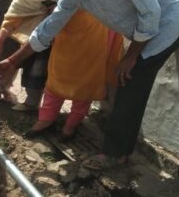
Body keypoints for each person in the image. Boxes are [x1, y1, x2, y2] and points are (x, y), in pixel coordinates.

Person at [0, 0, 179, 169]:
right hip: (147, 31)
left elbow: (151, 12)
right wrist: (12, 61)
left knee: (129, 81)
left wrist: (131, 56)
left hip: (169, 23)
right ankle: (121, 151)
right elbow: (46, 29)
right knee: (128, 82)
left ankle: (115, 155)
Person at [23, 10, 123, 140]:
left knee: (82, 92)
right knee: (58, 87)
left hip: (93, 49)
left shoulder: (111, 2)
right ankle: (49, 122)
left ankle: (68, 126)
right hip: (71, 47)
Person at [0, 0, 63, 111]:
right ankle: (5, 92)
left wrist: (59, 7)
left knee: (44, 69)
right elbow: (13, 16)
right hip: (29, 39)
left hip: (63, 34)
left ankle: (38, 107)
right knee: (27, 64)